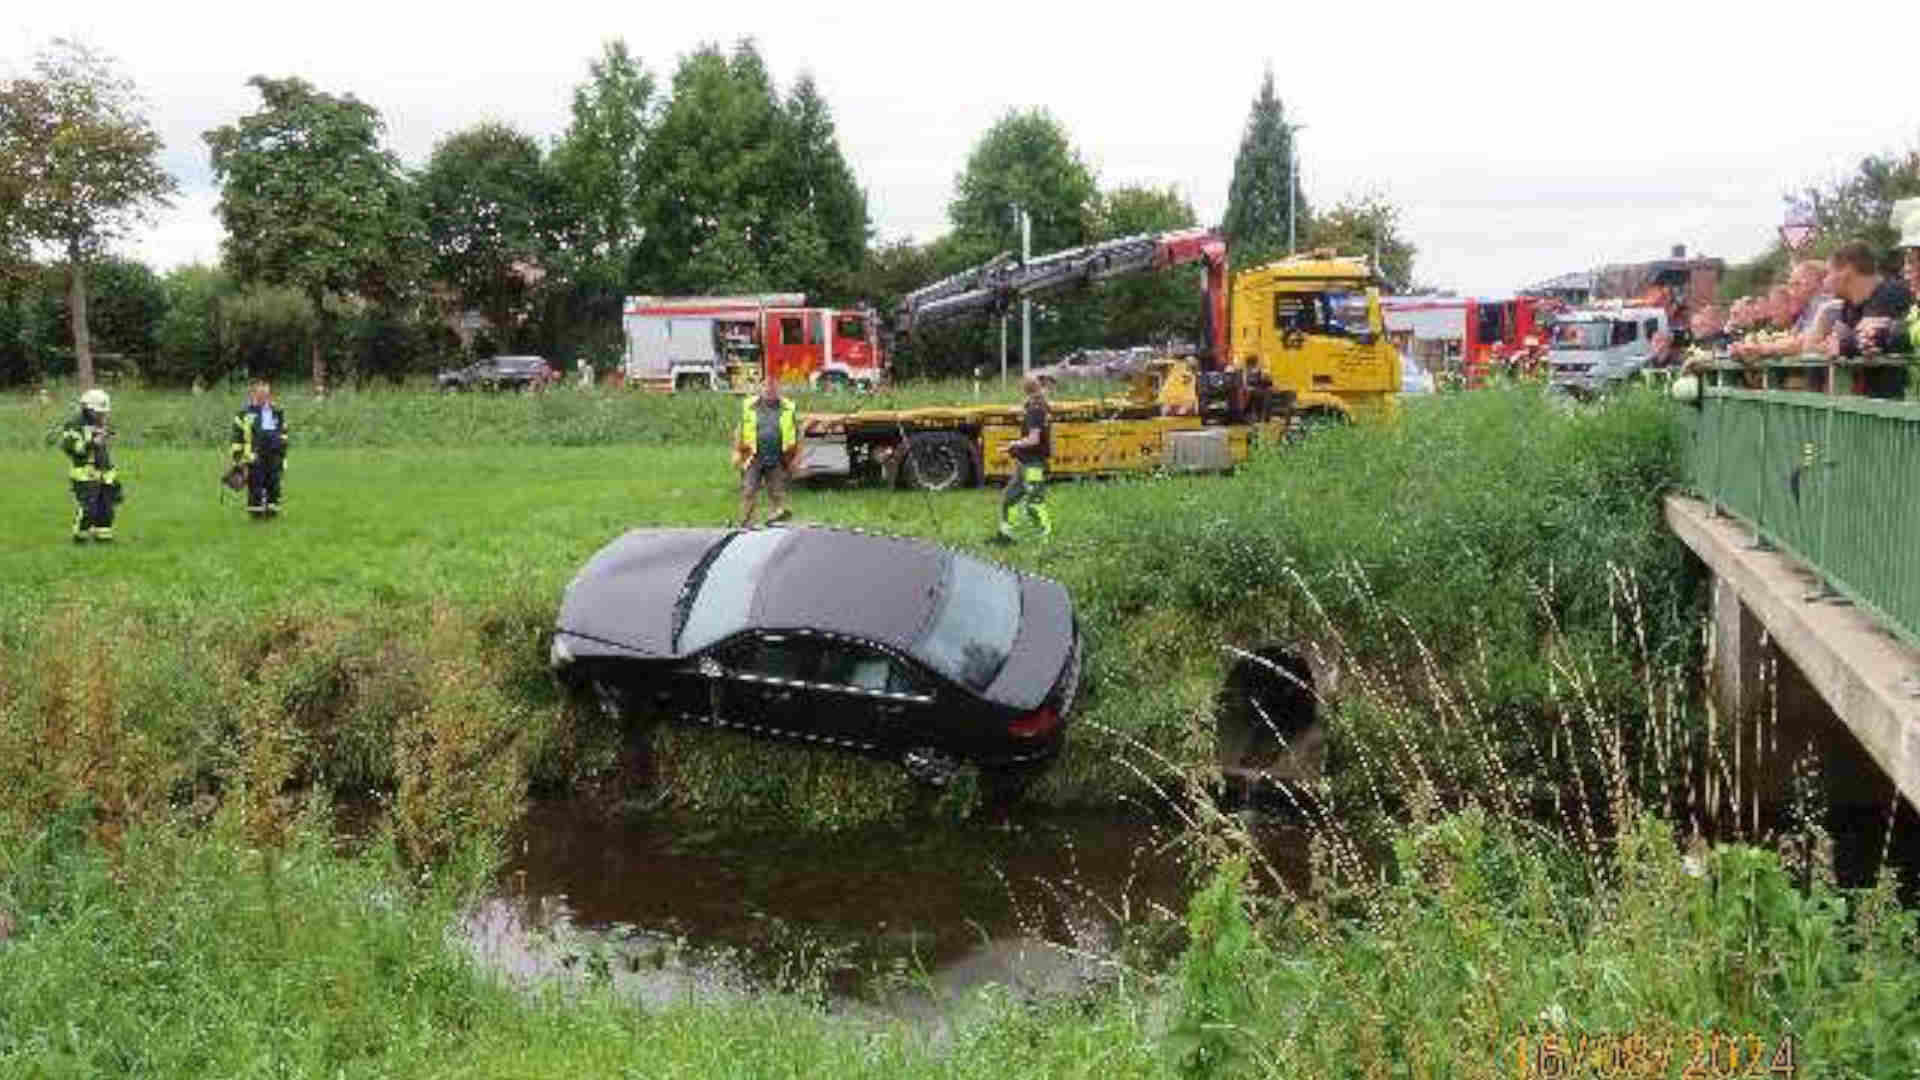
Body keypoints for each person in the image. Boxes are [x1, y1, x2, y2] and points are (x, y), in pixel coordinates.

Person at [1823, 241, 1914, 397]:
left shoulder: (1891, 293)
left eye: (1828, 273)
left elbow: (1872, 340)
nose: (1825, 280)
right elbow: (1834, 343)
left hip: (1899, 405)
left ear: (1847, 270)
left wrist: (1845, 344)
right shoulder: (1849, 305)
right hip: (1869, 405)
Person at [993, 376, 1053, 544]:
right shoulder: (1039, 406)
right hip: (1025, 463)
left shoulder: (1036, 409)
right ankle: (1007, 535)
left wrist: (1014, 443)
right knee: (1009, 498)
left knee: (1034, 502)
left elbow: (1034, 440)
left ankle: (1044, 537)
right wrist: (1014, 448)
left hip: (1034, 465)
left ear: (1025, 389)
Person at [58, 387, 120, 542]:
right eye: (98, 412)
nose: (101, 415)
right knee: (89, 508)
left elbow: (103, 450)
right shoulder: (74, 425)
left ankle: (103, 535)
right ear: (87, 408)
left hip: (104, 470)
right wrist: (92, 443)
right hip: (84, 474)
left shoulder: (100, 422)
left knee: (107, 506)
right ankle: (80, 535)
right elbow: (70, 447)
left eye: (103, 413)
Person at [733, 378, 797, 527]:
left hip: (777, 457)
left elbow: (796, 433)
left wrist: (795, 458)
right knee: (749, 490)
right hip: (753, 456)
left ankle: (777, 523)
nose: (769, 390)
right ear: (760, 388)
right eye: (766, 386)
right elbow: (739, 430)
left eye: (773, 386)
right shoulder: (749, 405)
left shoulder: (788, 407)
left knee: (777, 493)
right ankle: (746, 523)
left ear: (778, 389)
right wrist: (736, 451)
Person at [231, 380, 290, 516]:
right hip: (253, 457)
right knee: (256, 486)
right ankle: (256, 515)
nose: (264, 397)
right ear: (253, 394)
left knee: (274, 484)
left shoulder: (277, 412)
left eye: (266, 394)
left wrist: (283, 456)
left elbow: (283, 435)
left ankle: (272, 512)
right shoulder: (244, 414)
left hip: (274, 456)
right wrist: (237, 460)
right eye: (260, 394)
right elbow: (237, 438)